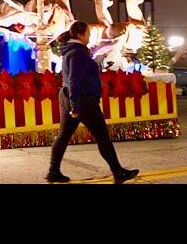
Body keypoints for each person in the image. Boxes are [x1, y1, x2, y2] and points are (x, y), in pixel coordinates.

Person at [46, 20, 140, 184]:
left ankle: (53, 172)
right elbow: (75, 79)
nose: (89, 37)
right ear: (80, 35)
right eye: (88, 34)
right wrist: (76, 105)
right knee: (102, 135)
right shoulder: (78, 53)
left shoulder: (71, 50)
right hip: (82, 99)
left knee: (63, 136)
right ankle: (118, 172)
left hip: (68, 95)